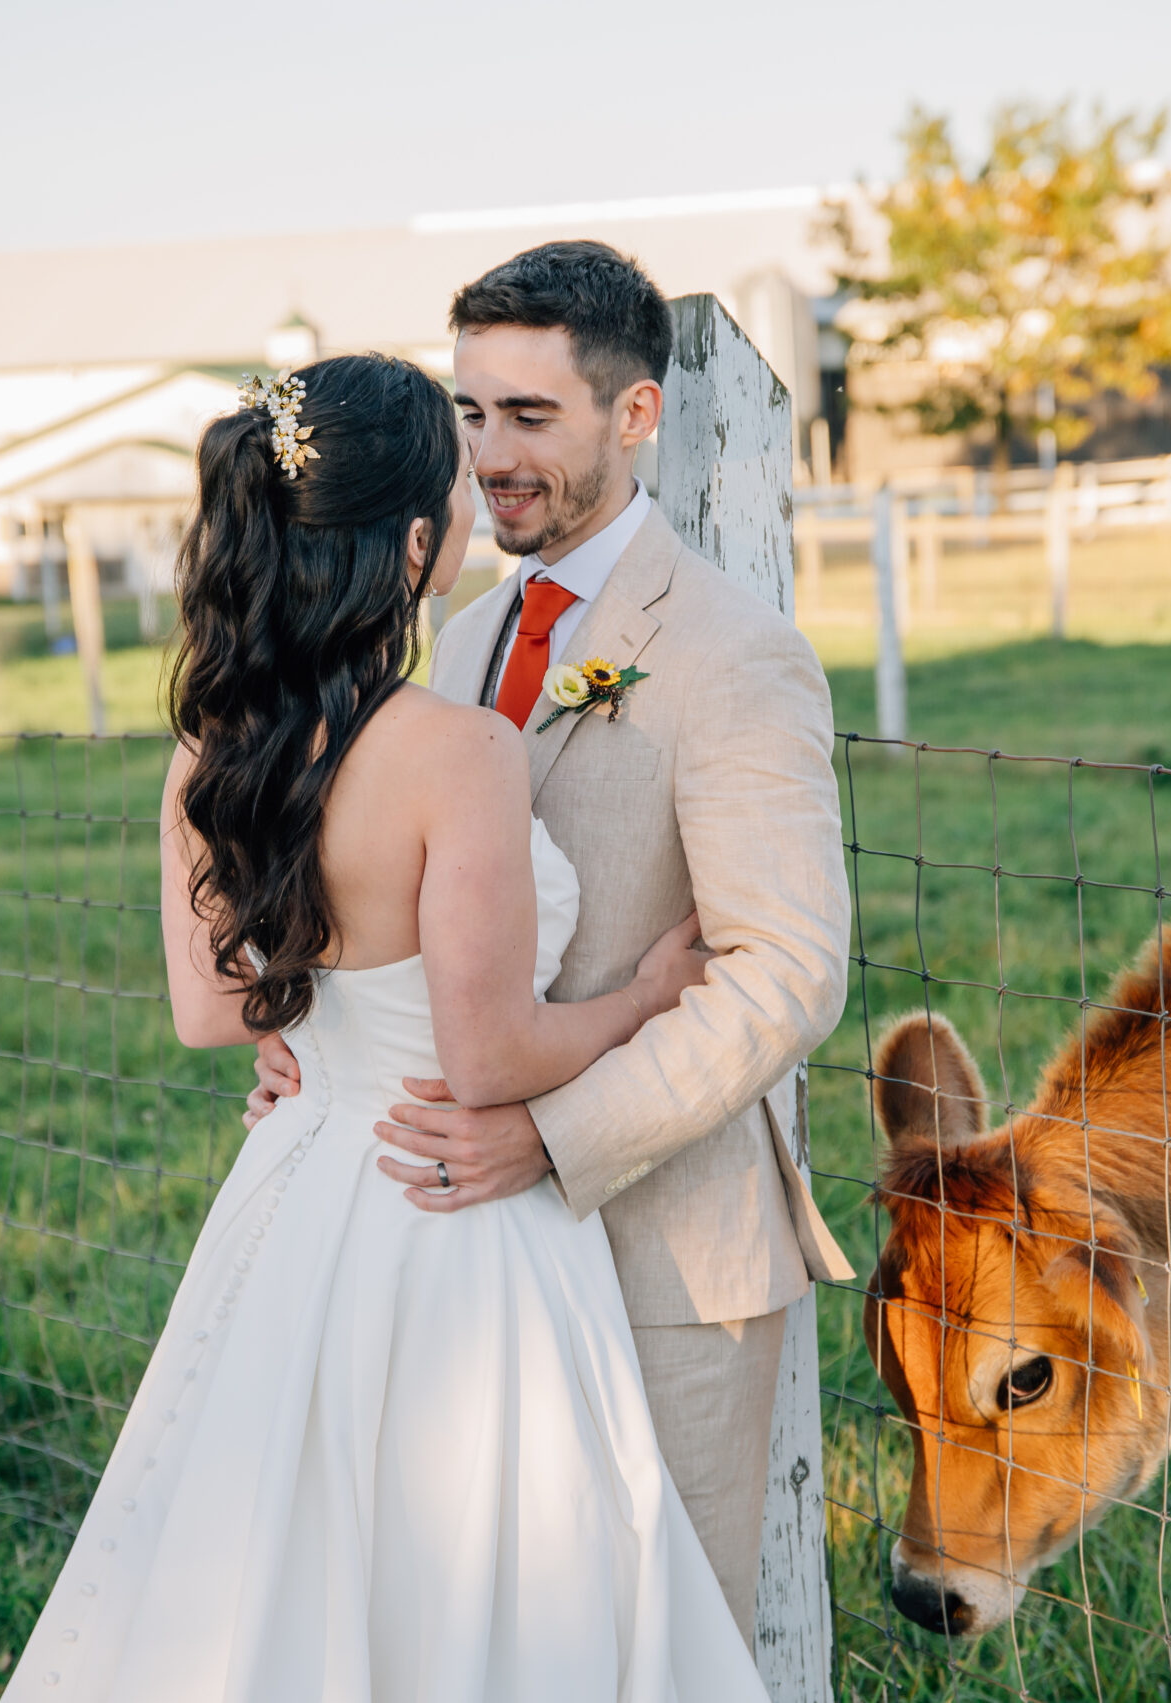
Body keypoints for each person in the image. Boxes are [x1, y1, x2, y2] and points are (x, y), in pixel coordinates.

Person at [3, 350, 771, 1700]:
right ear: (419, 542)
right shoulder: (453, 752)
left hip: (300, 1188)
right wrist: (642, 1002)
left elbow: (208, 1008)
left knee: (280, 1550)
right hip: (448, 1215)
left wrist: (306, 1044)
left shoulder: (210, 748)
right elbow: (490, 1062)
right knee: (484, 1564)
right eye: (458, 490)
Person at [245, 240, 853, 1648]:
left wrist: (557, 1131)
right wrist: (308, 1042)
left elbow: (786, 969)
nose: (489, 457)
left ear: (634, 416)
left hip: (658, 1249)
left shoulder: (729, 654)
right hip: (459, 1257)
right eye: (470, 414)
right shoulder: (455, 637)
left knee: (651, 1643)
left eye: (531, 418)